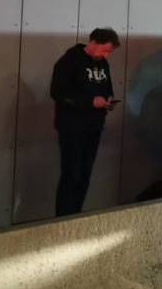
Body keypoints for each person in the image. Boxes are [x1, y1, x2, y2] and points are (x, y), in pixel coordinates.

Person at [50, 27, 121, 216]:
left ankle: (76, 215)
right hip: (72, 127)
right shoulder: (68, 62)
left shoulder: (103, 64)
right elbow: (57, 93)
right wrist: (90, 102)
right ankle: (63, 217)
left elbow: (107, 88)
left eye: (109, 51)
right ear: (93, 42)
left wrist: (107, 101)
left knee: (84, 174)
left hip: (94, 126)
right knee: (71, 173)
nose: (106, 54)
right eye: (105, 49)